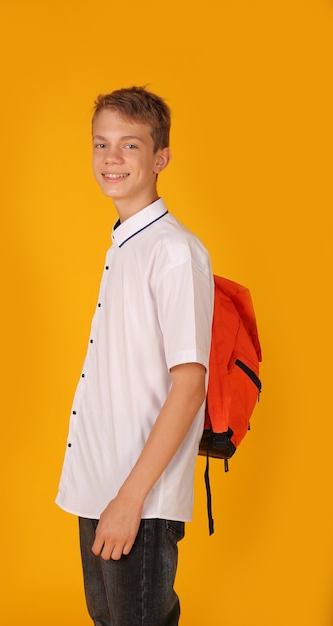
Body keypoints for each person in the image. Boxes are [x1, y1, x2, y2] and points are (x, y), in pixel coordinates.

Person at [56, 86, 214, 625]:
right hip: (99, 486)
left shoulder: (173, 251)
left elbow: (190, 384)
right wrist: (105, 496)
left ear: (160, 158)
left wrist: (128, 500)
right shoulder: (124, 246)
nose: (112, 159)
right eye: (102, 145)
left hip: (137, 499)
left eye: (130, 145)